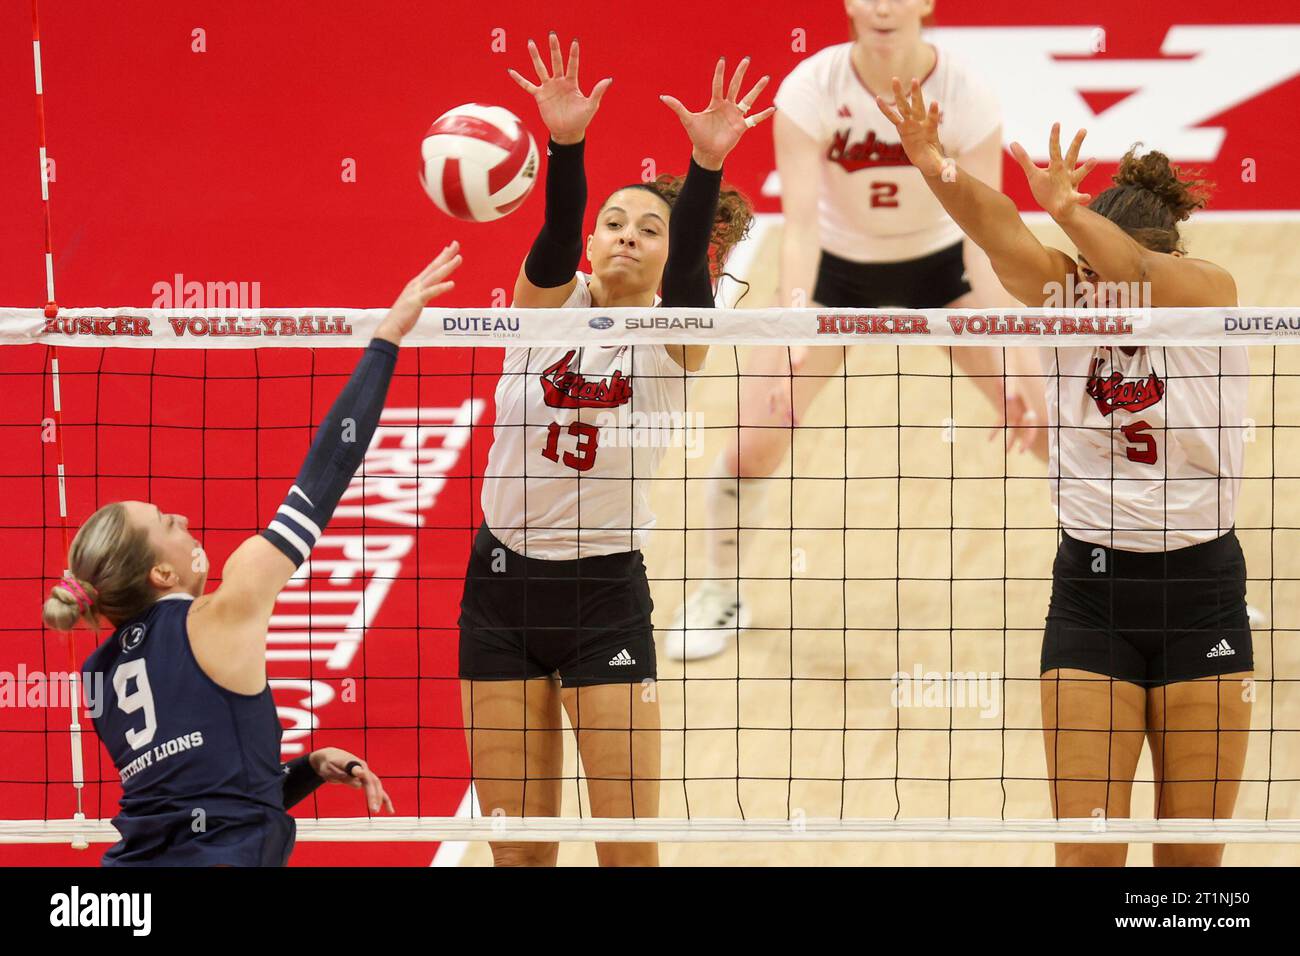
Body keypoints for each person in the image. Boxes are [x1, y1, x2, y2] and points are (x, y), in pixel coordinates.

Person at [879, 76, 1252, 866]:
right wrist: (933, 162)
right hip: (1092, 594)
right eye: (1081, 265)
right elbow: (999, 227)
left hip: (1203, 594)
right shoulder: (1064, 291)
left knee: (1191, 866)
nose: (1091, 280)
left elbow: (1143, 279)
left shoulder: (1207, 293)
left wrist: (1071, 212)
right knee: (1085, 856)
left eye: (1097, 261)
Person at [458, 33, 769, 866]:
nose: (625, 236)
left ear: (676, 254)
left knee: (627, 852)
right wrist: (566, 142)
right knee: (518, 854)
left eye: (651, 229)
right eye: (614, 223)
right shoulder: (541, 308)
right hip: (500, 592)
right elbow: (557, 231)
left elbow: (695, 285)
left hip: (604, 599)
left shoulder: (675, 339)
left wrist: (706, 166)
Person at [44, 246, 460, 865]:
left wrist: (308, 768)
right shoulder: (226, 607)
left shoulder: (99, 676)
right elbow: (327, 473)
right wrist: (387, 337)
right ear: (161, 573)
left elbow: (201, 798)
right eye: (166, 523)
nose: (181, 519)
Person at [666, 0, 1046, 662]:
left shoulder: (969, 95)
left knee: (1052, 423)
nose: (882, 7)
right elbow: (804, 227)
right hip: (836, 276)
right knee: (755, 439)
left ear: (926, 4)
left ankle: (1162, 568)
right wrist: (793, 322)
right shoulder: (811, 90)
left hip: (946, 272)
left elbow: (988, 236)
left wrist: (1011, 349)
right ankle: (719, 591)